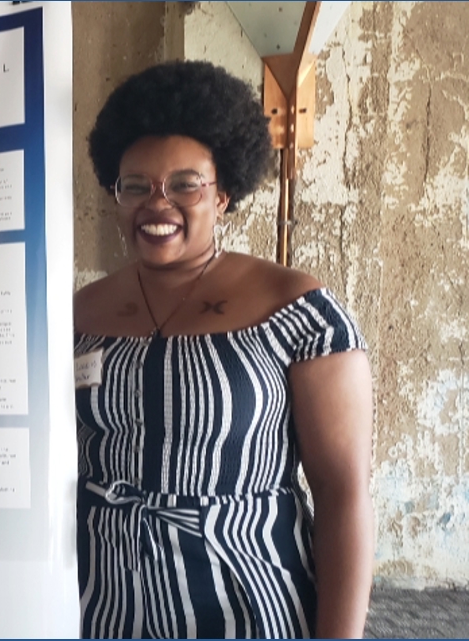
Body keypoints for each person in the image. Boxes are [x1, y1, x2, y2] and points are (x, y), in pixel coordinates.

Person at [73, 60, 373, 639]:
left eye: (185, 184)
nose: (157, 203)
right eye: (135, 186)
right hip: (103, 604)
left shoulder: (297, 312)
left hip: (245, 603)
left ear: (225, 193)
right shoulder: (79, 314)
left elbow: (344, 497)